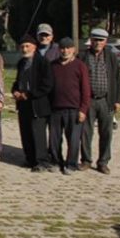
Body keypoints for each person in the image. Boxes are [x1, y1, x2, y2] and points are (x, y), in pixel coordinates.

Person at [78, 28, 120, 175]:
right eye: (95, 39)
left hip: (106, 100)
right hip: (88, 100)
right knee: (85, 132)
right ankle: (86, 160)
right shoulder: (83, 56)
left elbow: (117, 79)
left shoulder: (111, 57)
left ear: (105, 42)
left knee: (106, 133)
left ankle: (103, 162)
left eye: (101, 40)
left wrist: (118, 100)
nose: (98, 42)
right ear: (90, 40)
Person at [12, 34, 54, 172]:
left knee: (38, 134)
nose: (24, 49)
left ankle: (41, 161)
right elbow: (17, 81)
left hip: (37, 104)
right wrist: (15, 91)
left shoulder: (43, 62)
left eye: (27, 46)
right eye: (22, 46)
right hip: (23, 104)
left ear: (34, 47)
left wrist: (29, 94)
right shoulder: (21, 63)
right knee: (26, 132)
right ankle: (30, 159)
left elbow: (47, 85)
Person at [50, 37, 90, 175]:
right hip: (55, 109)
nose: (65, 51)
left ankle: (71, 164)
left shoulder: (80, 66)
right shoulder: (53, 65)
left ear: (73, 50)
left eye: (68, 48)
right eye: (62, 48)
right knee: (54, 139)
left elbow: (85, 90)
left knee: (73, 140)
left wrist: (83, 109)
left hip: (74, 109)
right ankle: (56, 161)